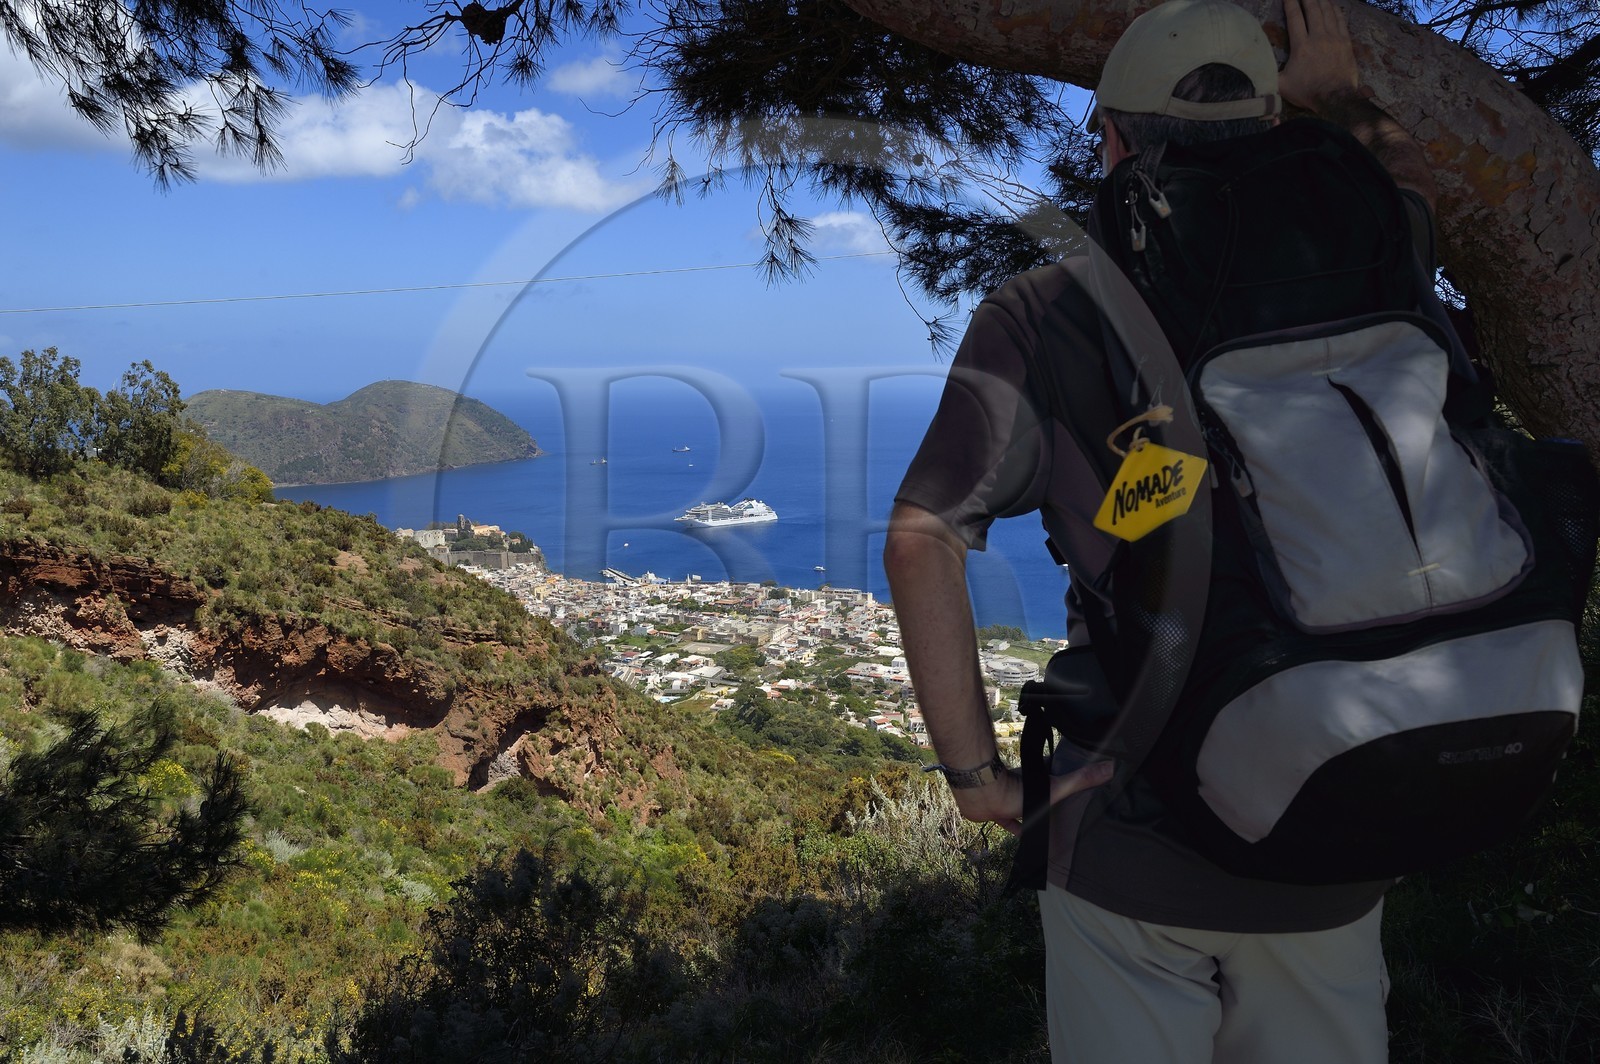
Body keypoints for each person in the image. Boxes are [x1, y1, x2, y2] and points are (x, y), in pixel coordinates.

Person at [882, 0, 1439, 1059]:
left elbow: (921, 538)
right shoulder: (1381, 256)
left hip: (1127, 831)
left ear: (1112, 140)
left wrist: (977, 779)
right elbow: (1404, 183)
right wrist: (1343, 100)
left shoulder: (1045, 310)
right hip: (1333, 817)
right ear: (1275, 130)